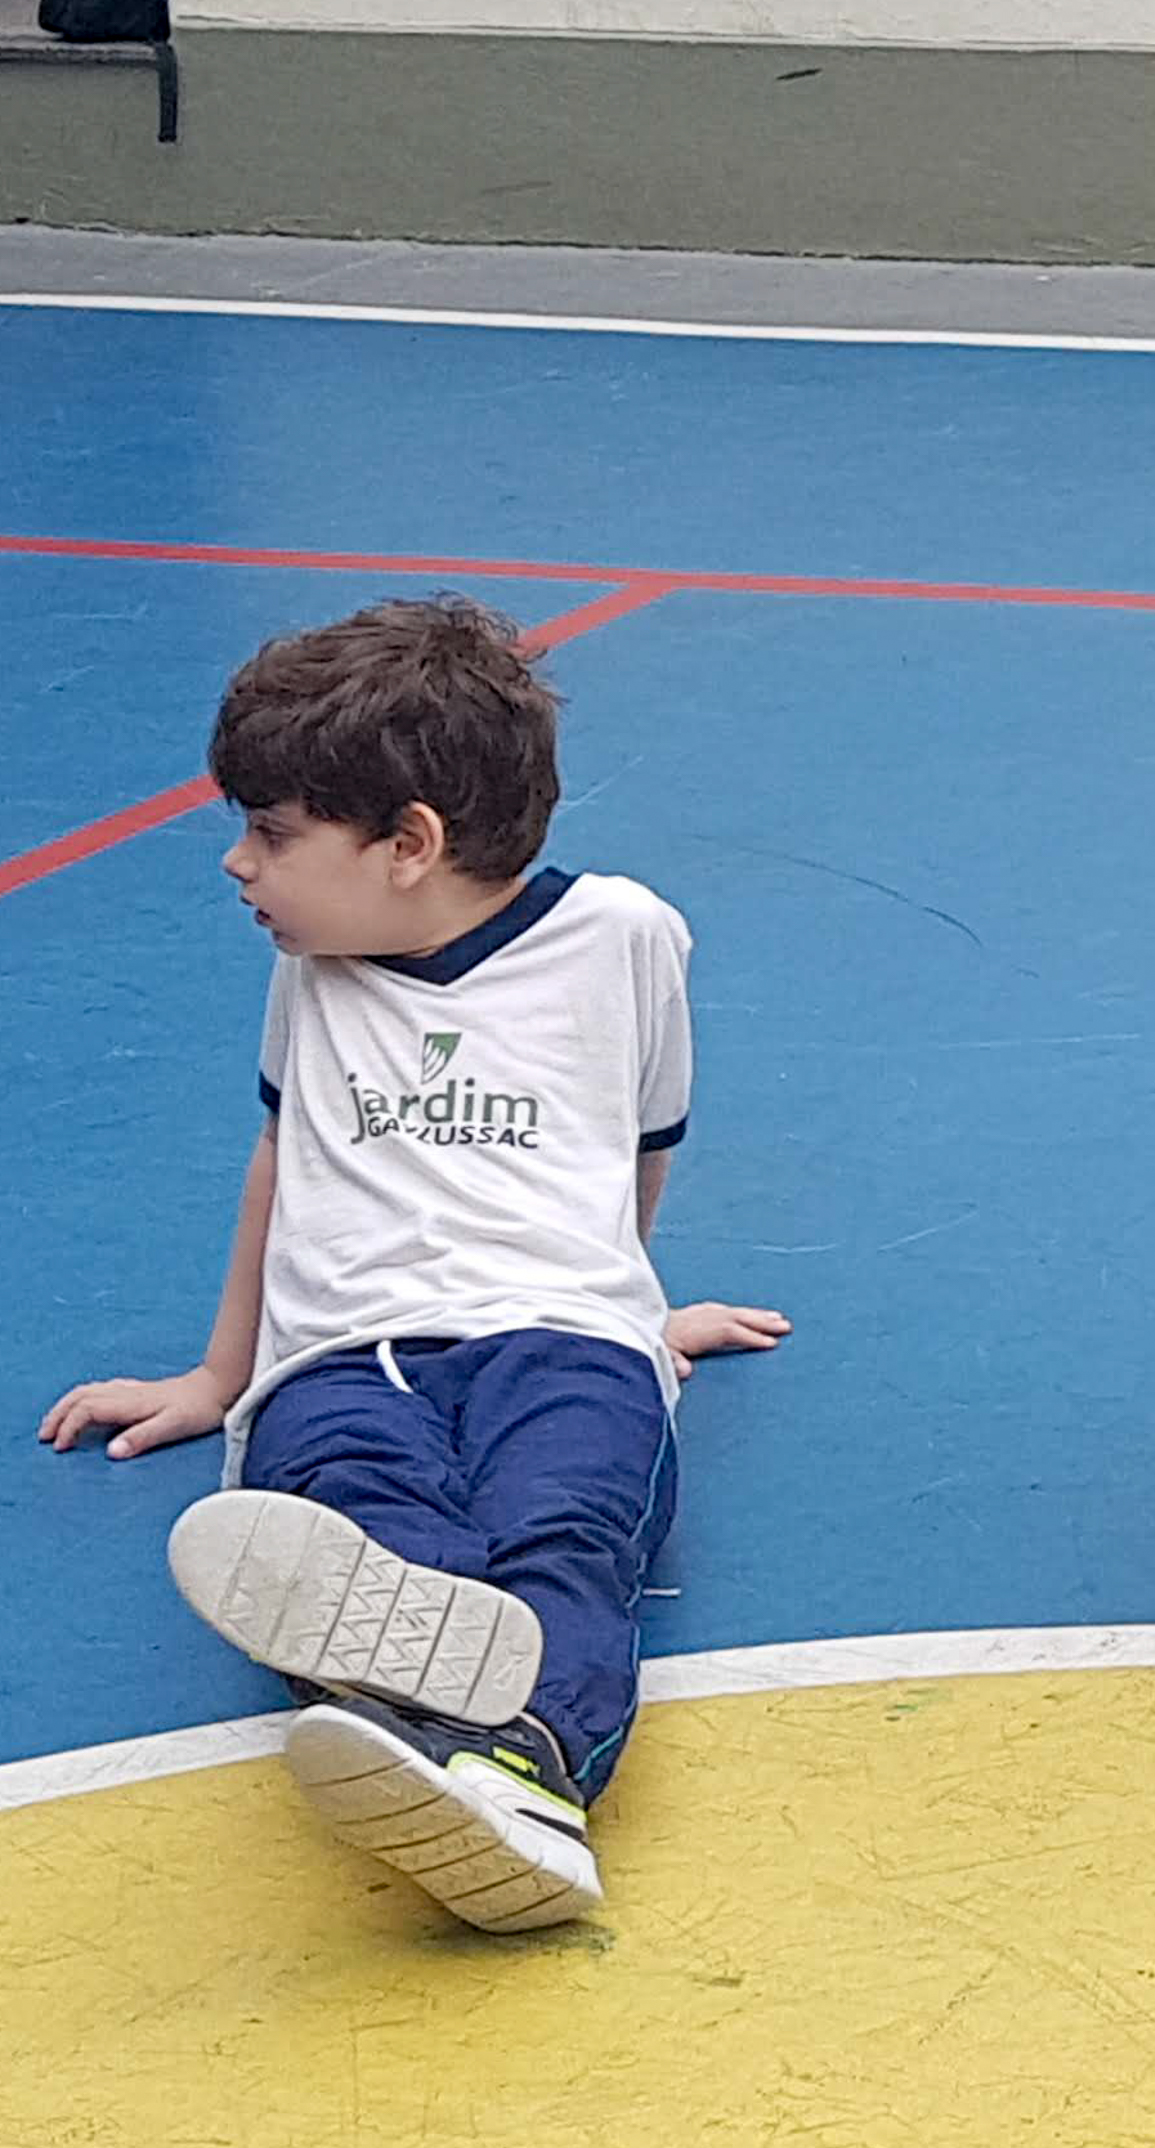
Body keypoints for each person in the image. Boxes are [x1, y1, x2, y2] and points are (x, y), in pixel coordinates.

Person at [37, 597, 788, 1930]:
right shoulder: (313, 964)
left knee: (567, 1522)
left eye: (272, 834)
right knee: (353, 1507)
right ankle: (465, 1740)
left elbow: (635, 1144)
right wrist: (220, 1376)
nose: (237, 864)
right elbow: (284, 1158)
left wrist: (640, 1308)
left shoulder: (621, 938)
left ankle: (520, 1766)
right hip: (343, 1354)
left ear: (410, 845)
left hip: (566, 1335)